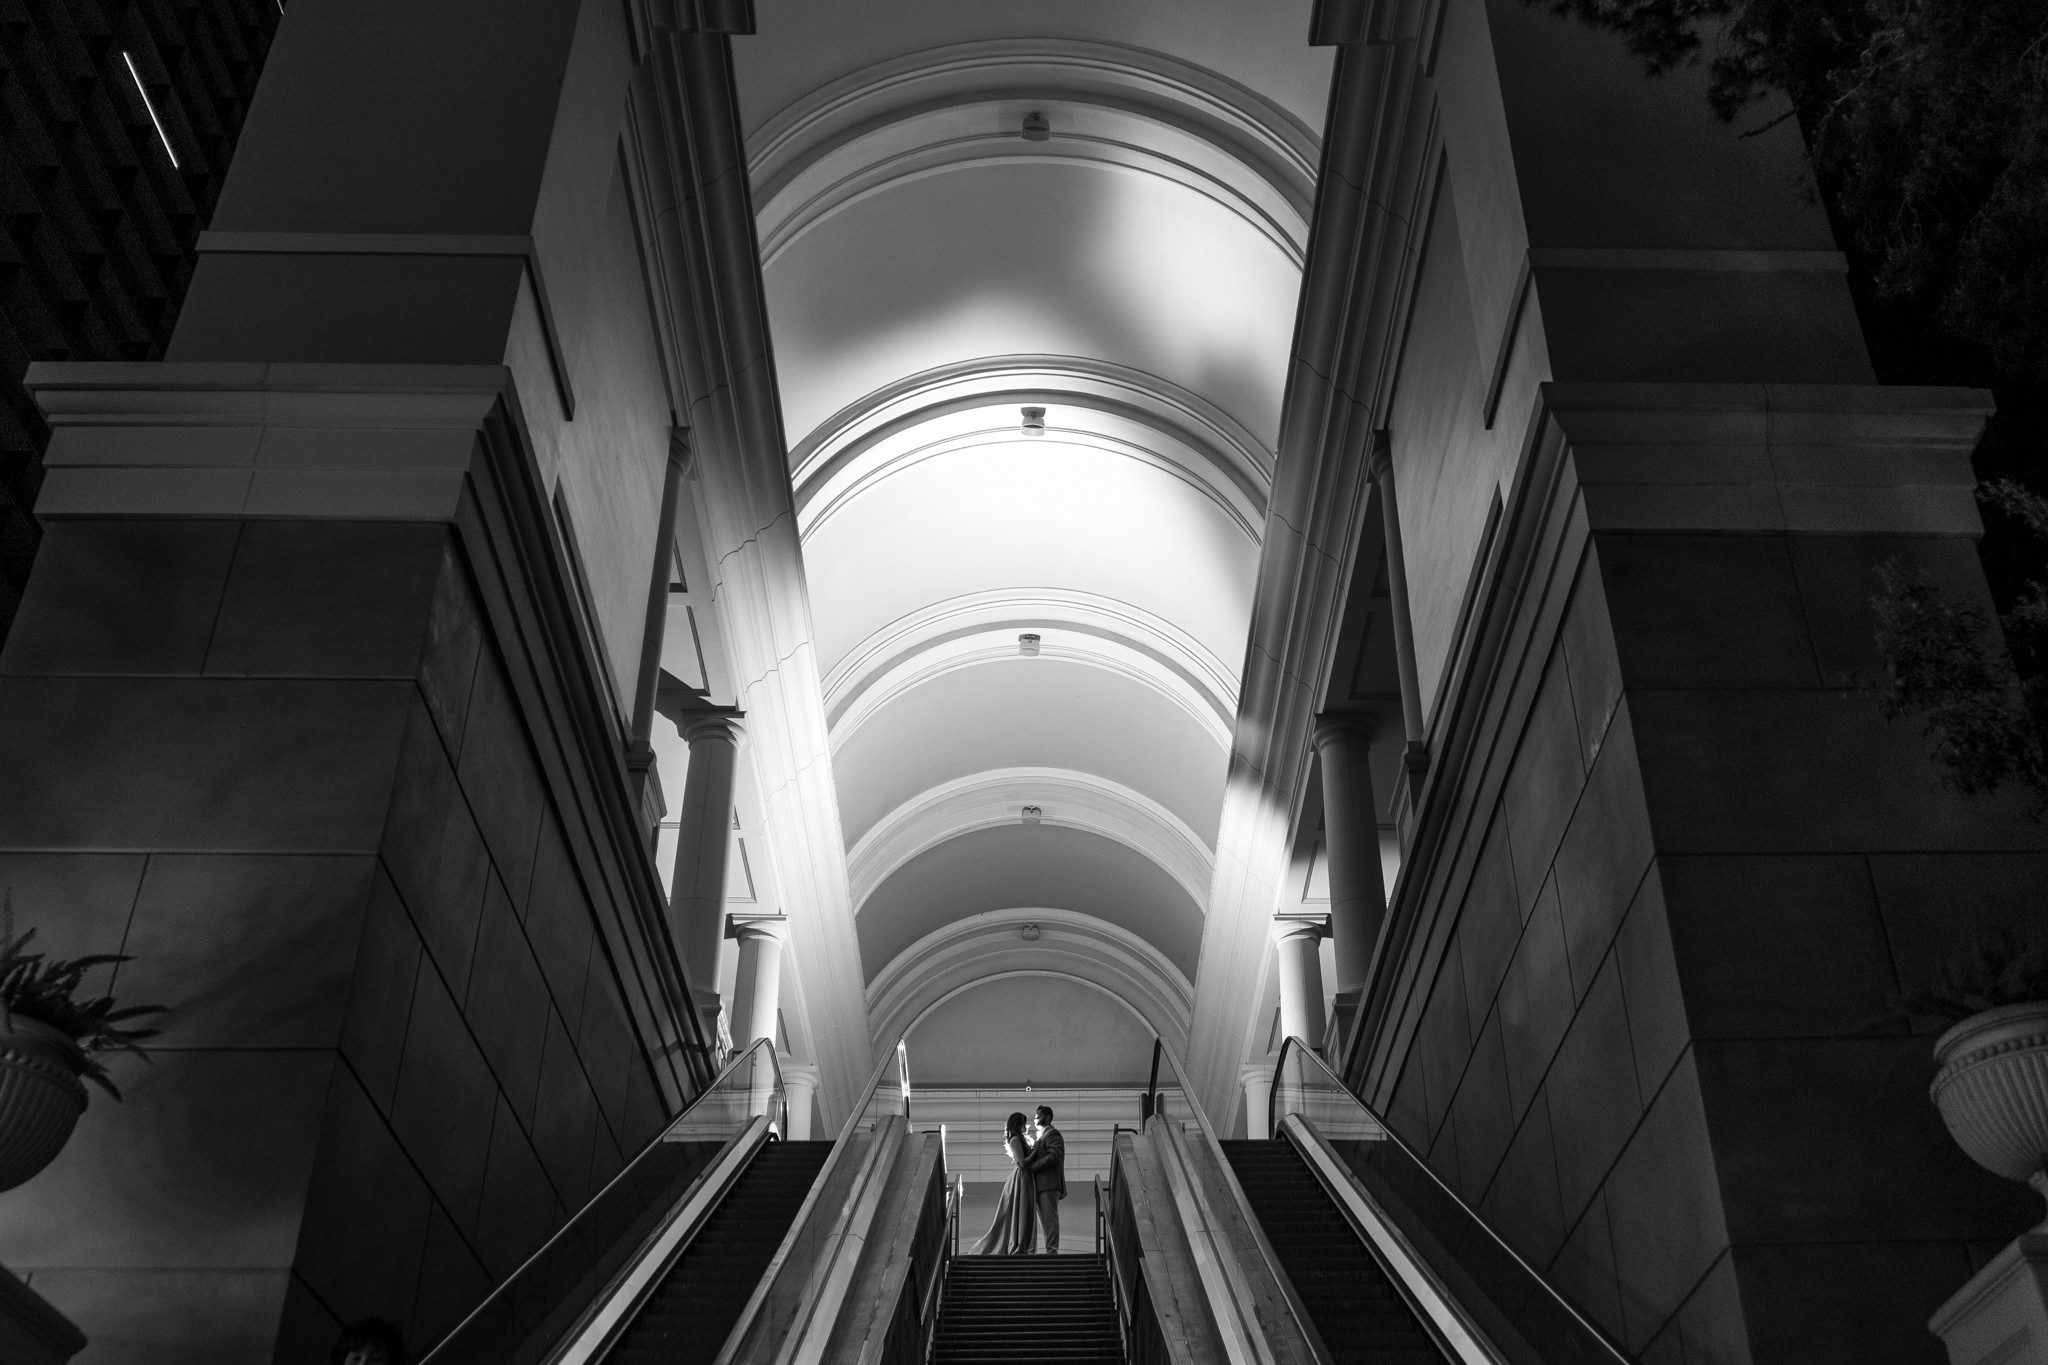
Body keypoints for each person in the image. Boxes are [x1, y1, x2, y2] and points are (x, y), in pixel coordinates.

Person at [969, 1110, 1038, 1254]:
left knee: (1024, 1211)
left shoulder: (1019, 1139)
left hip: (1025, 1178)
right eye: (1024, 1123)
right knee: (1022, 1210)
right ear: (1018, 1124)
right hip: (1022, 1178)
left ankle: (1023, 1244)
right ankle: (1019, 1245)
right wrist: (1036, 1151)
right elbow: (1023, 1162)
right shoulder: (1015, 1140)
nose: (1026, 1127)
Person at [1024, 1104, 1066, 1253]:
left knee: (1049, 1219)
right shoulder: (1042, 1136)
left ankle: (1052, 1250)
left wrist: (1033, 1166)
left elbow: (1053, 1156)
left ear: (1047, 1117)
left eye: (1038, 1115)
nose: (1035, 1118)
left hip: (1048, 1183)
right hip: (1040, 1184)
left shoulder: (1052, 1134)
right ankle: (1048, 1249)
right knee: (1044, 1219)